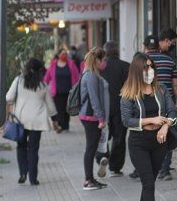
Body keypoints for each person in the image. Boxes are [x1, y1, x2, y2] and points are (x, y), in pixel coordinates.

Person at [120, 53, 177, 201]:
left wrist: (165, 127)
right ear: (137, 71)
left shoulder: (161, 90)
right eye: (146, 67)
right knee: (147, 181)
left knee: (150, 182)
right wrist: (151, 119)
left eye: (151, 67)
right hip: (139, 143)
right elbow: (127, 120)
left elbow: (172, 112)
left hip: (159, 141)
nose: (150, 71)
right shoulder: (128, 93)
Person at [5, 58, 58, 186]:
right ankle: (33, 178)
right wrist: (55, 119)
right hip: (37, 121)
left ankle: (23, 173)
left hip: (21, 120)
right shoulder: (42, 85)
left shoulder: (18, 81)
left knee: (21, 147)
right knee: (33, 150)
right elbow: (50, 106)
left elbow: (9, 98)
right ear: (40, 70)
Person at [144, 32, 177, 181]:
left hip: (147, 100)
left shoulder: (143, 61)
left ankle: (151, 167)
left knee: (149, 133)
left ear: (145, 47)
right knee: (167, 133)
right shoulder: (170, 60)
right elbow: (175, 85)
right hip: (167, 101)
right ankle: (165, 169)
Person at [79, 47, 110, 191]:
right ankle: (88, 180)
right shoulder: (91, 75)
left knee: (92, 147)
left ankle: (90, 178)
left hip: (92, 116)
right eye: (103, 60)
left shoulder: (92, 74)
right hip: (91, 117)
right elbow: (94, 99)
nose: (105, 63)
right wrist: (101, 118)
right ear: (97, 60)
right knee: (91, 148)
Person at [99, 41, 130, 177]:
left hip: (103, 108)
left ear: (105, 52)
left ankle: (102, 156)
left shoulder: (100, 67)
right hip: (121, 107)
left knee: (103, 135)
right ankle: (115, 166)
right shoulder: (125, 66)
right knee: (119, 137)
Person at [44, 48, 80, 133]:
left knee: (67, 110)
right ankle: (60, 125)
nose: (64, 55)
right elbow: (47, 77)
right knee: (59, 110)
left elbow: (77, 76)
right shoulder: (53, 65)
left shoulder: (71, 64)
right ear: (59, 55)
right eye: (62, 54)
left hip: (69, 91)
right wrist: (43, 84)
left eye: (65, 54)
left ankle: (66, 126)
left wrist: (77, 87)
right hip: (57, 92)